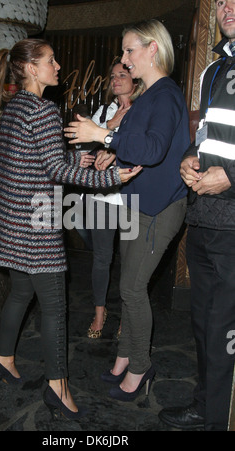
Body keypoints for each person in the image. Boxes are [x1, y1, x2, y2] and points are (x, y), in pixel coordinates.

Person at [0, 38, 141, 420]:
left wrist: (75, 156)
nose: (57, 67)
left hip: (11, 222)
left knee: (20, 293)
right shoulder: (44, 110)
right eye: (51, 61)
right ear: (32, 69)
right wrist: (110, 178)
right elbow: (54, 170)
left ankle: (3, 359)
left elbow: (33, 157)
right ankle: (58, 387)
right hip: (36, 227)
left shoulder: (16, 106)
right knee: (55, 306)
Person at [64, 19, 190, 401]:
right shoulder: (149, 95)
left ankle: (140, 368)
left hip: (159, 208)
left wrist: (102, 135)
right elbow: (134, 144)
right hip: (138, 205)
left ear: (153, 49)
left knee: (133, 289)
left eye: (129, 50)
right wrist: (110, 154)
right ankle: (123, 358)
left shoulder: (165, 94)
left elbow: (152, 150)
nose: (123, 58)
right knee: (127, 285)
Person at [159, 0, 235, 431]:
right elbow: (207, 134)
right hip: (206, 219)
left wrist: (232, 177)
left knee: (226, 336)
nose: (226, 6)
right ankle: (206, 406)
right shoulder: (213, 70)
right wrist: (190, 157)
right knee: (205, 328)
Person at [80, 58, 138, 339]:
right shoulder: (105, 111)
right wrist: (110, 124)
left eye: (122, 74)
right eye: (112, 75)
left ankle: (127, 318)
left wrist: (115, 147)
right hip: (101, 195)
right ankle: (100, 313)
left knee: (130, 262)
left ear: (135, 78)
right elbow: (82, 145)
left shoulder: (143, 109)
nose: (116, 79)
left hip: (131, 197)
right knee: (101, 259)